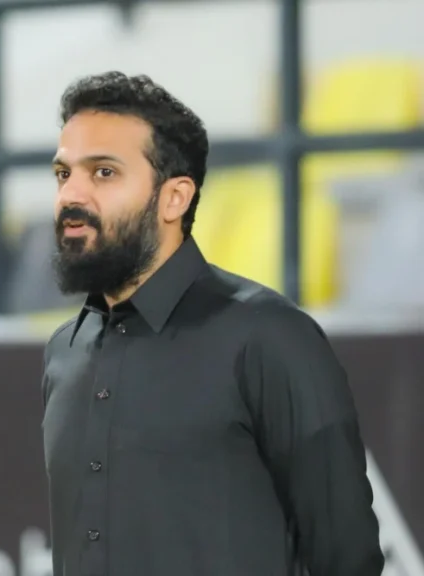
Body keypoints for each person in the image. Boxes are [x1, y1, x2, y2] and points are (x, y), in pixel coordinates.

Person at [40, 71, 383, 576]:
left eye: (104, 172)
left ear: (175, 198)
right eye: (63, 174)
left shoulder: (268, 336)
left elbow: (346, 556)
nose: (72, 195)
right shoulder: (64, 352)